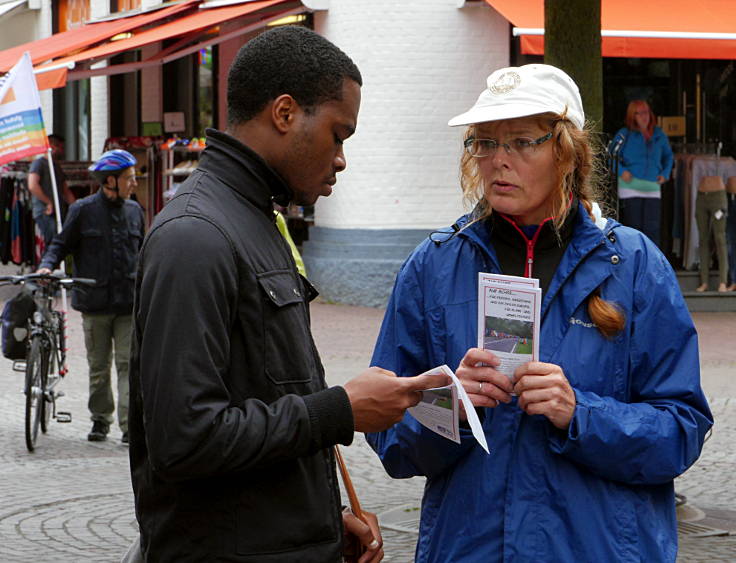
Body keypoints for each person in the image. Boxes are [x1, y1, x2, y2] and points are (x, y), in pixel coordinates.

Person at [366, 64, 713, 562]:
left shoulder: (636, 266)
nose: (497, 161)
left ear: (566, 151)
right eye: (485, 143)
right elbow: (390, 437)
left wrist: (580, 414)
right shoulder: (433, 267)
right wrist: (453, 408)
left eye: (522, 142)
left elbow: (681, 430)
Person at [127, 25, 448, 562]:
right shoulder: (196, 236)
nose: (342, 158)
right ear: (284, 114)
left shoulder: (254, 218)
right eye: (338, 134)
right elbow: (186, 440)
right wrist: (341, 409)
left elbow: (265, 400)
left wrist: (320, 523)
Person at [38, 149, 144, 444]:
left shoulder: (136, 211)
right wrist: (47, 265)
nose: (134, 183)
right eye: (129, 178)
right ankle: (100, 420)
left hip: (128, 304)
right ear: (110, 180)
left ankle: (129, 426)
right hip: (95, 304)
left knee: (127, 365)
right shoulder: (82, 210)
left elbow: (146, 253)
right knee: (99, 368)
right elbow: (60, 244)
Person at [610, 99, 673, 248]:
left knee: (653, 229)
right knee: (633, 229)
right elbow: (610, 156)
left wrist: (665, 173)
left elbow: (668, 156)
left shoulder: (659, 134)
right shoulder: (624, 134)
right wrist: (621, 171)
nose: (644, 116)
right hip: (630, 188)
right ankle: (635, 267)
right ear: (632, 116)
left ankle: (653, 267)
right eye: (639, 113)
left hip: (652, 187)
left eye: (646, 112)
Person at [27, 133, 76, 247]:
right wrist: (48, 202)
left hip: (58, 212)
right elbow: (32, 185)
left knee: (59, 243)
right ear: (53, 146)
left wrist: (77, 206)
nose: (63, 151)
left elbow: (65, 191)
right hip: (45, 212)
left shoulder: (56, 166)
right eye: (61, 147)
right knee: (53, 243)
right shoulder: (39, 163)